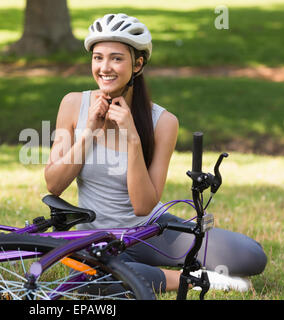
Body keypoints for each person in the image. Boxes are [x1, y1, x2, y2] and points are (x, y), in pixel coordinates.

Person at [44, 13, 267, 298]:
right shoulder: (73, 104)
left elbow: (143, 205)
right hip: (96, 239)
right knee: (93, 281)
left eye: (116, 58)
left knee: (251, 256)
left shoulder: (163, 122)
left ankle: (138, 266)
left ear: (138, 64)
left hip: (149, 230)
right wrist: (88, 131)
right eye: (98, 58)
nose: (104, 67)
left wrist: (132, 139)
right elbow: (54, 184)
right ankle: (193, 278)